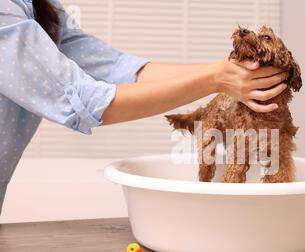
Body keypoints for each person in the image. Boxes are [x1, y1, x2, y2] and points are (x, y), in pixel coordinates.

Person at [0, 0, 288, 212]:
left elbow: (120, 68)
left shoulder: (39, 6)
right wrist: (216, 79)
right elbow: (85, 100)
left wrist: (225, 72)